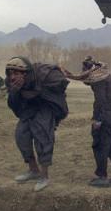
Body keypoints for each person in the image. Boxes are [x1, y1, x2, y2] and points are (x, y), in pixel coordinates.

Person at [5, 56, 69, 192]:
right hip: (28, 108)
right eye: (10, 74)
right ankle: (33, 171)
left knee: (43, 138)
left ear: (25, 73)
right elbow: (12, 104)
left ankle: (44, 176)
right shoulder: (11, 83)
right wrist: (15, 92)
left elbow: (61, 83)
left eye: (16, 73)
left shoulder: (41, 74)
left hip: (44, 107)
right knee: (21, 136)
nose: (12, 77)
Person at [63, 56, 111, 187]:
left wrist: (98, 120)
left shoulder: (99, 81)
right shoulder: (106, 77)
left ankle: (102, 176)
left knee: (100, 146)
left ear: (89, 71)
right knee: (109, 146)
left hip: (105, 118)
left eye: (84, 71)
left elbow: (101, 102)